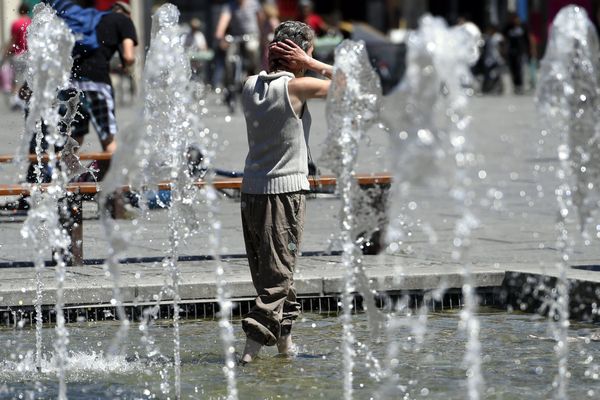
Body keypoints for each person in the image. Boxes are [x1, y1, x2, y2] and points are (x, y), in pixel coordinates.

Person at [239, 20, 333, 364]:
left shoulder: (249, 85)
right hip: (285, 194)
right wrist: (314, 65)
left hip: (250, 193)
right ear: (298, 55)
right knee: (278, 279)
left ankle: (285, 346)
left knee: (275, 273)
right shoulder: (298, 88)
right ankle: (249, 353)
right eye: (310, 51)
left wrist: (299, 61)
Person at [52, 0, 137, 182]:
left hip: (71, 82)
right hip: (97, 82)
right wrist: (128, 66)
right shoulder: (124, 21)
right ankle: (114, 196)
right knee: (108, 140)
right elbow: (129, 56)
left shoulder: (95, 19)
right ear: (127, 12)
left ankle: (72, 188)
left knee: (74, 137)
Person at [213, 0, 262, 110]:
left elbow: (260, 19)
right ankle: (230, 86)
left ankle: (254, 73)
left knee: (252, 49)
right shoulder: (230, 5)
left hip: (251, 35)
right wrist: (220, 35)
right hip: (236, 37)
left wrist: (261, 34)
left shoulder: (254, 3)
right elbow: (224, 20)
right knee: (229, 59)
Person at [2, 3, 31, 110]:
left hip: (18, 55)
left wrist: (5, 52)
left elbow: (13, 40)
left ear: (19, 11)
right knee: (26, 78)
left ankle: (16, 99)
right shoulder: (31, 22)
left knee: (16, 78)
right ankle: (24, 99)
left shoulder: (16, 23)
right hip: (29, 55)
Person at [503, 12, 530, 95]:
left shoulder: (523, 27)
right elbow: (504, 38)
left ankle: (520, 86)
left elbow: (527, 39)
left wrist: (529, 51)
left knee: (520, 69)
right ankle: (515, 85)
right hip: (511, 52)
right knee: (513, 69)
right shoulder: (508, 27)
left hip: (520, 52)